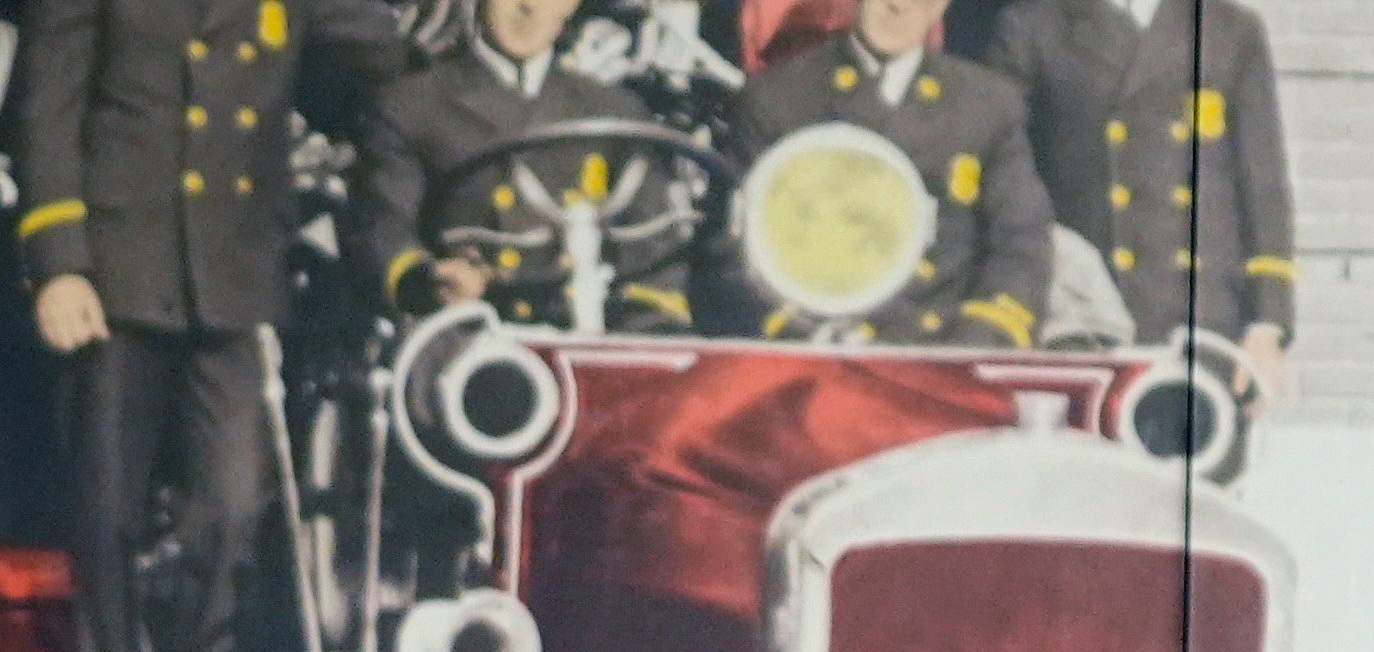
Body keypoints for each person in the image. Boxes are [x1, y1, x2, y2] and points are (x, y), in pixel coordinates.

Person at [5, 0, 306, 652]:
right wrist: (58, 260)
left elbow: (384, 52)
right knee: (109, 515)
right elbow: (48, 102)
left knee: (234, 513)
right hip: (116, 270)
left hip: (232, 279)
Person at [976, 0, 1293, 389]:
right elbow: (1003, 180)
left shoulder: (1231, 28)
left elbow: (1263, 184)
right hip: (1087, 321)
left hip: (1206, 326)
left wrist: (1266, 326)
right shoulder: (1032, 26)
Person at [721, 0, 1047, 344]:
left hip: (940, 353)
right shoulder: (779, 99)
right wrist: (798, 332)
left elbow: (1019, 241)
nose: (897, 5)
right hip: (815, 354)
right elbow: (731, 246)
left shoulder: (985, 106)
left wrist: (969, 345)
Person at [362, 0, 704, 327]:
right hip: (469, 339)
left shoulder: (616, 112)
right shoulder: (412, 106)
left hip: (592, 334)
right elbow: (386, 229)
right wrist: (430, 280)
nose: (528, 5)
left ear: (570, 5)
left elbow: (653, 255)